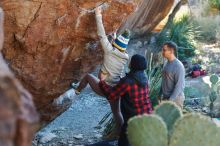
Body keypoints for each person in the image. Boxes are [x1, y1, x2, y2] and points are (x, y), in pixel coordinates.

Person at [70, 7, 130, 137]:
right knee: (117, 113)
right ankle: (121, 134)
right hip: (116, 90)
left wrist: (98, 15)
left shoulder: (109, 51)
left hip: (104, 87)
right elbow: (119, 49)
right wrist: (114, 39)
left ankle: (76, 91)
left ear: (115, 46)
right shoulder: (125, 57)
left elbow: (102, 35)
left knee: (87, 77)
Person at [99, 54, 152, 146]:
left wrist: (102, 81)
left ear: (132, 64)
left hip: (133, 120)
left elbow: (112, 95)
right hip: (148, 115)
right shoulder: (145, 79)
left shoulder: (127, 81)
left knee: (124, 143)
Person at [158, 41, 185, 108]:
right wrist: (160, 93)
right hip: (166, 98)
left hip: (175, 99)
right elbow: (164, 80)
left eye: (164, 50)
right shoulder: (166, 63)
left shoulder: (178, 66)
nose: (162, 52)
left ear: (171, 51)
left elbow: (179, 86)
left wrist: (170, 100)